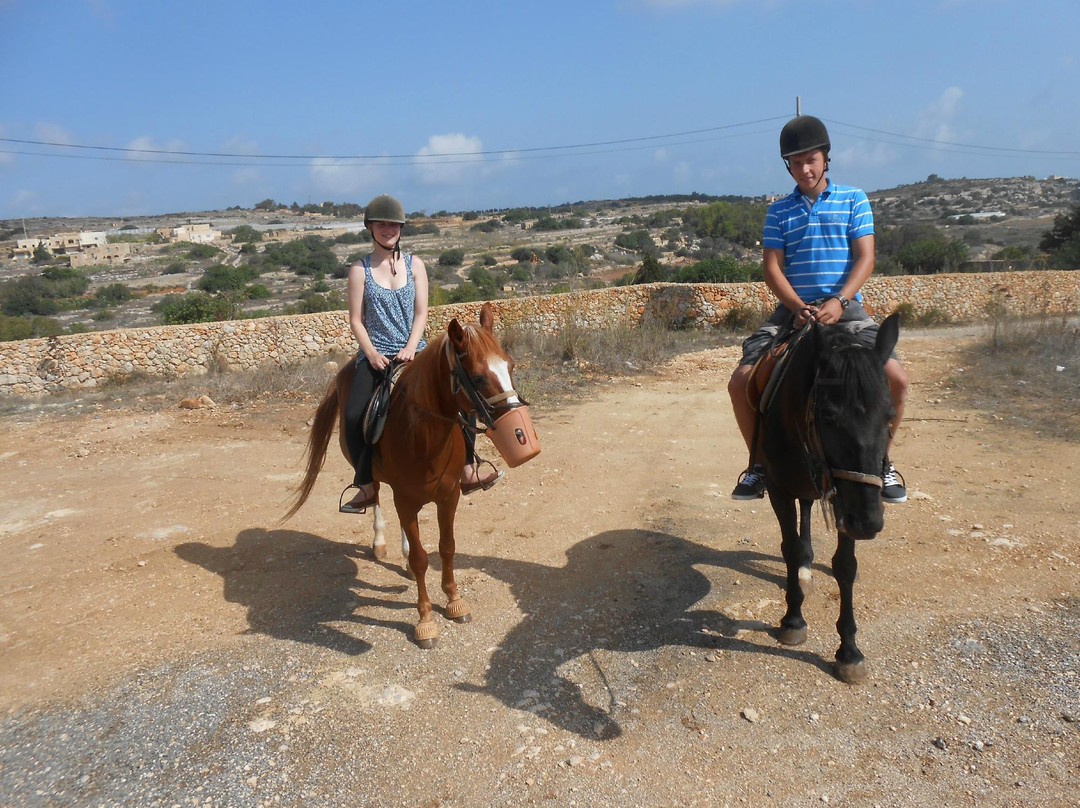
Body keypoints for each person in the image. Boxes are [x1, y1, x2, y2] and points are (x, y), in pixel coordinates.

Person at [727, 115, 909, 504]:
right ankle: (757, 465)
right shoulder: (779, 212)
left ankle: (882, 462)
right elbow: (772, 267)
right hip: (793, 311)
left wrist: (839, 301)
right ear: (787, 166)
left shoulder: (853, 199)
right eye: (795, 163)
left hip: (846, 309)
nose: (804, 169)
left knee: (897, 378)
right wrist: (796, 307)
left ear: (826, 158)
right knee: (740, 382)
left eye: (811, 159)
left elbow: (866, 258)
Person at [339, 194, 502, 513]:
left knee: (463, 397)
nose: (388, 229)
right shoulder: (359, 270)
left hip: (418, 351)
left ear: (401, 228)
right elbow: (356, 320)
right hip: (377, 356)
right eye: (382, 224)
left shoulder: (416, 266)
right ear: (370, 227)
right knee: (353, 415)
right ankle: (367, 485)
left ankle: (468, 468)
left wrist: (412, 346)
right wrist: (370, 353)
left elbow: (421, 314)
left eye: (394, 224)